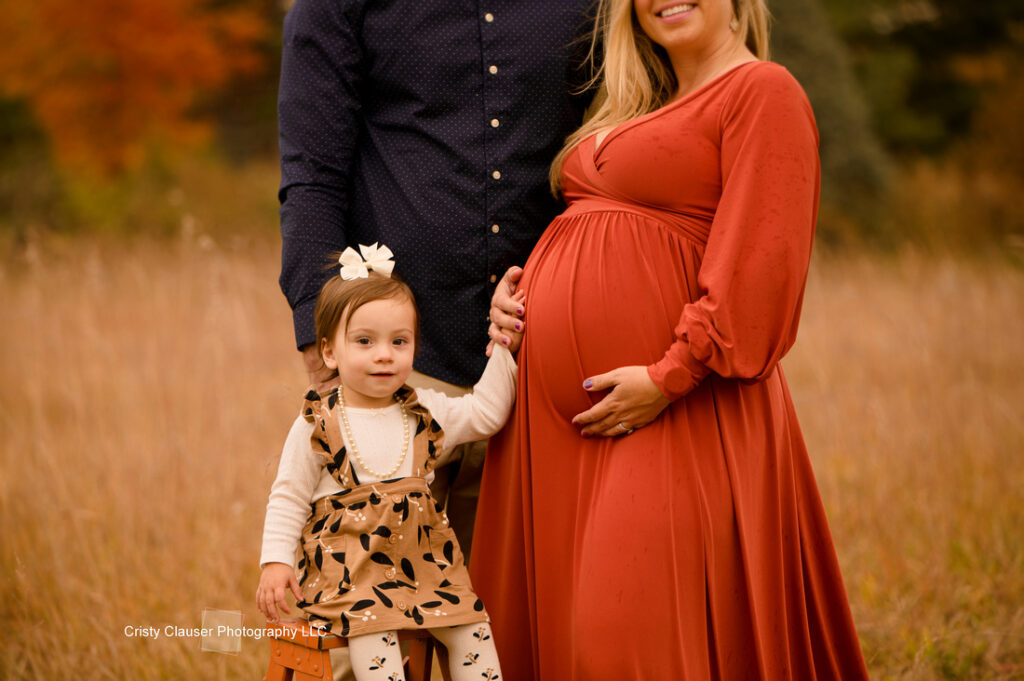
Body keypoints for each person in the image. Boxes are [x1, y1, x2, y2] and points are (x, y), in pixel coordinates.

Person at [476, 0, 871, 678]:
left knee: (618, 637)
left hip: (673, 408)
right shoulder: (631, 105)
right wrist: (518, 296)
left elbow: (762, 265)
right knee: (553, 636)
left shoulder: (761, 91)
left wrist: (670, 375)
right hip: (556, 427)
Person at [276, 0, 596, 570]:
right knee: (367, 621)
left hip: (541, 370)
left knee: (508, 633)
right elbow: (312, 177)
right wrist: (320, 342)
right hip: (393, 370)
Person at [258, 245, 522, 681]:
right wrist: (276, 562)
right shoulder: (318, 424)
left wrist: (503, 345)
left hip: (427, 571)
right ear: (329, 352)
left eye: (399, 342)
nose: (385, 354)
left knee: (473, 630)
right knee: (375, 640)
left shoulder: (425, 411)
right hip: (350, 576)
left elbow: (487, 413)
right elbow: (288, 495)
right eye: (365, 341)